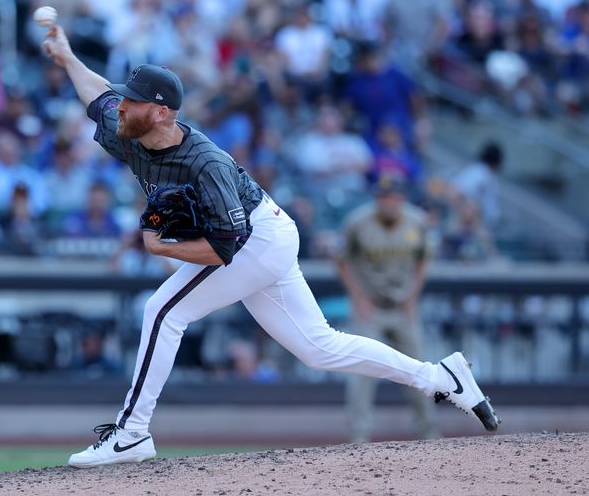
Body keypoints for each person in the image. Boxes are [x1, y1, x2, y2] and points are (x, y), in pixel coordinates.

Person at [41, 25, 500, 469]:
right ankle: (440, 377)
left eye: (132, 100)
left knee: (163, 311)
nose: (121, 105)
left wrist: (163, 249)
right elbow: (96, 94)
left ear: (161, 112)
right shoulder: (132, 129)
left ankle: (132, 432)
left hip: (254, 239)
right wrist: (66, 57)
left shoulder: (206, 164)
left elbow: (224, 251)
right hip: (265, 235)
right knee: (320, 348)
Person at [336, 173, 438, 442]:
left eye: (392, 196)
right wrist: (358, 298)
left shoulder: (417, 221)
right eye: (382, 196)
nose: (387, 202)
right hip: (371, 307)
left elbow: (424, 259)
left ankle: (428, 433)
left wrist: (413, 297)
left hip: (403, 307)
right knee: (362, 373)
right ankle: (359, 436)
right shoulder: (358, 222)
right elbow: (341, 259)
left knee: (418, 371)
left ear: (401, 198)